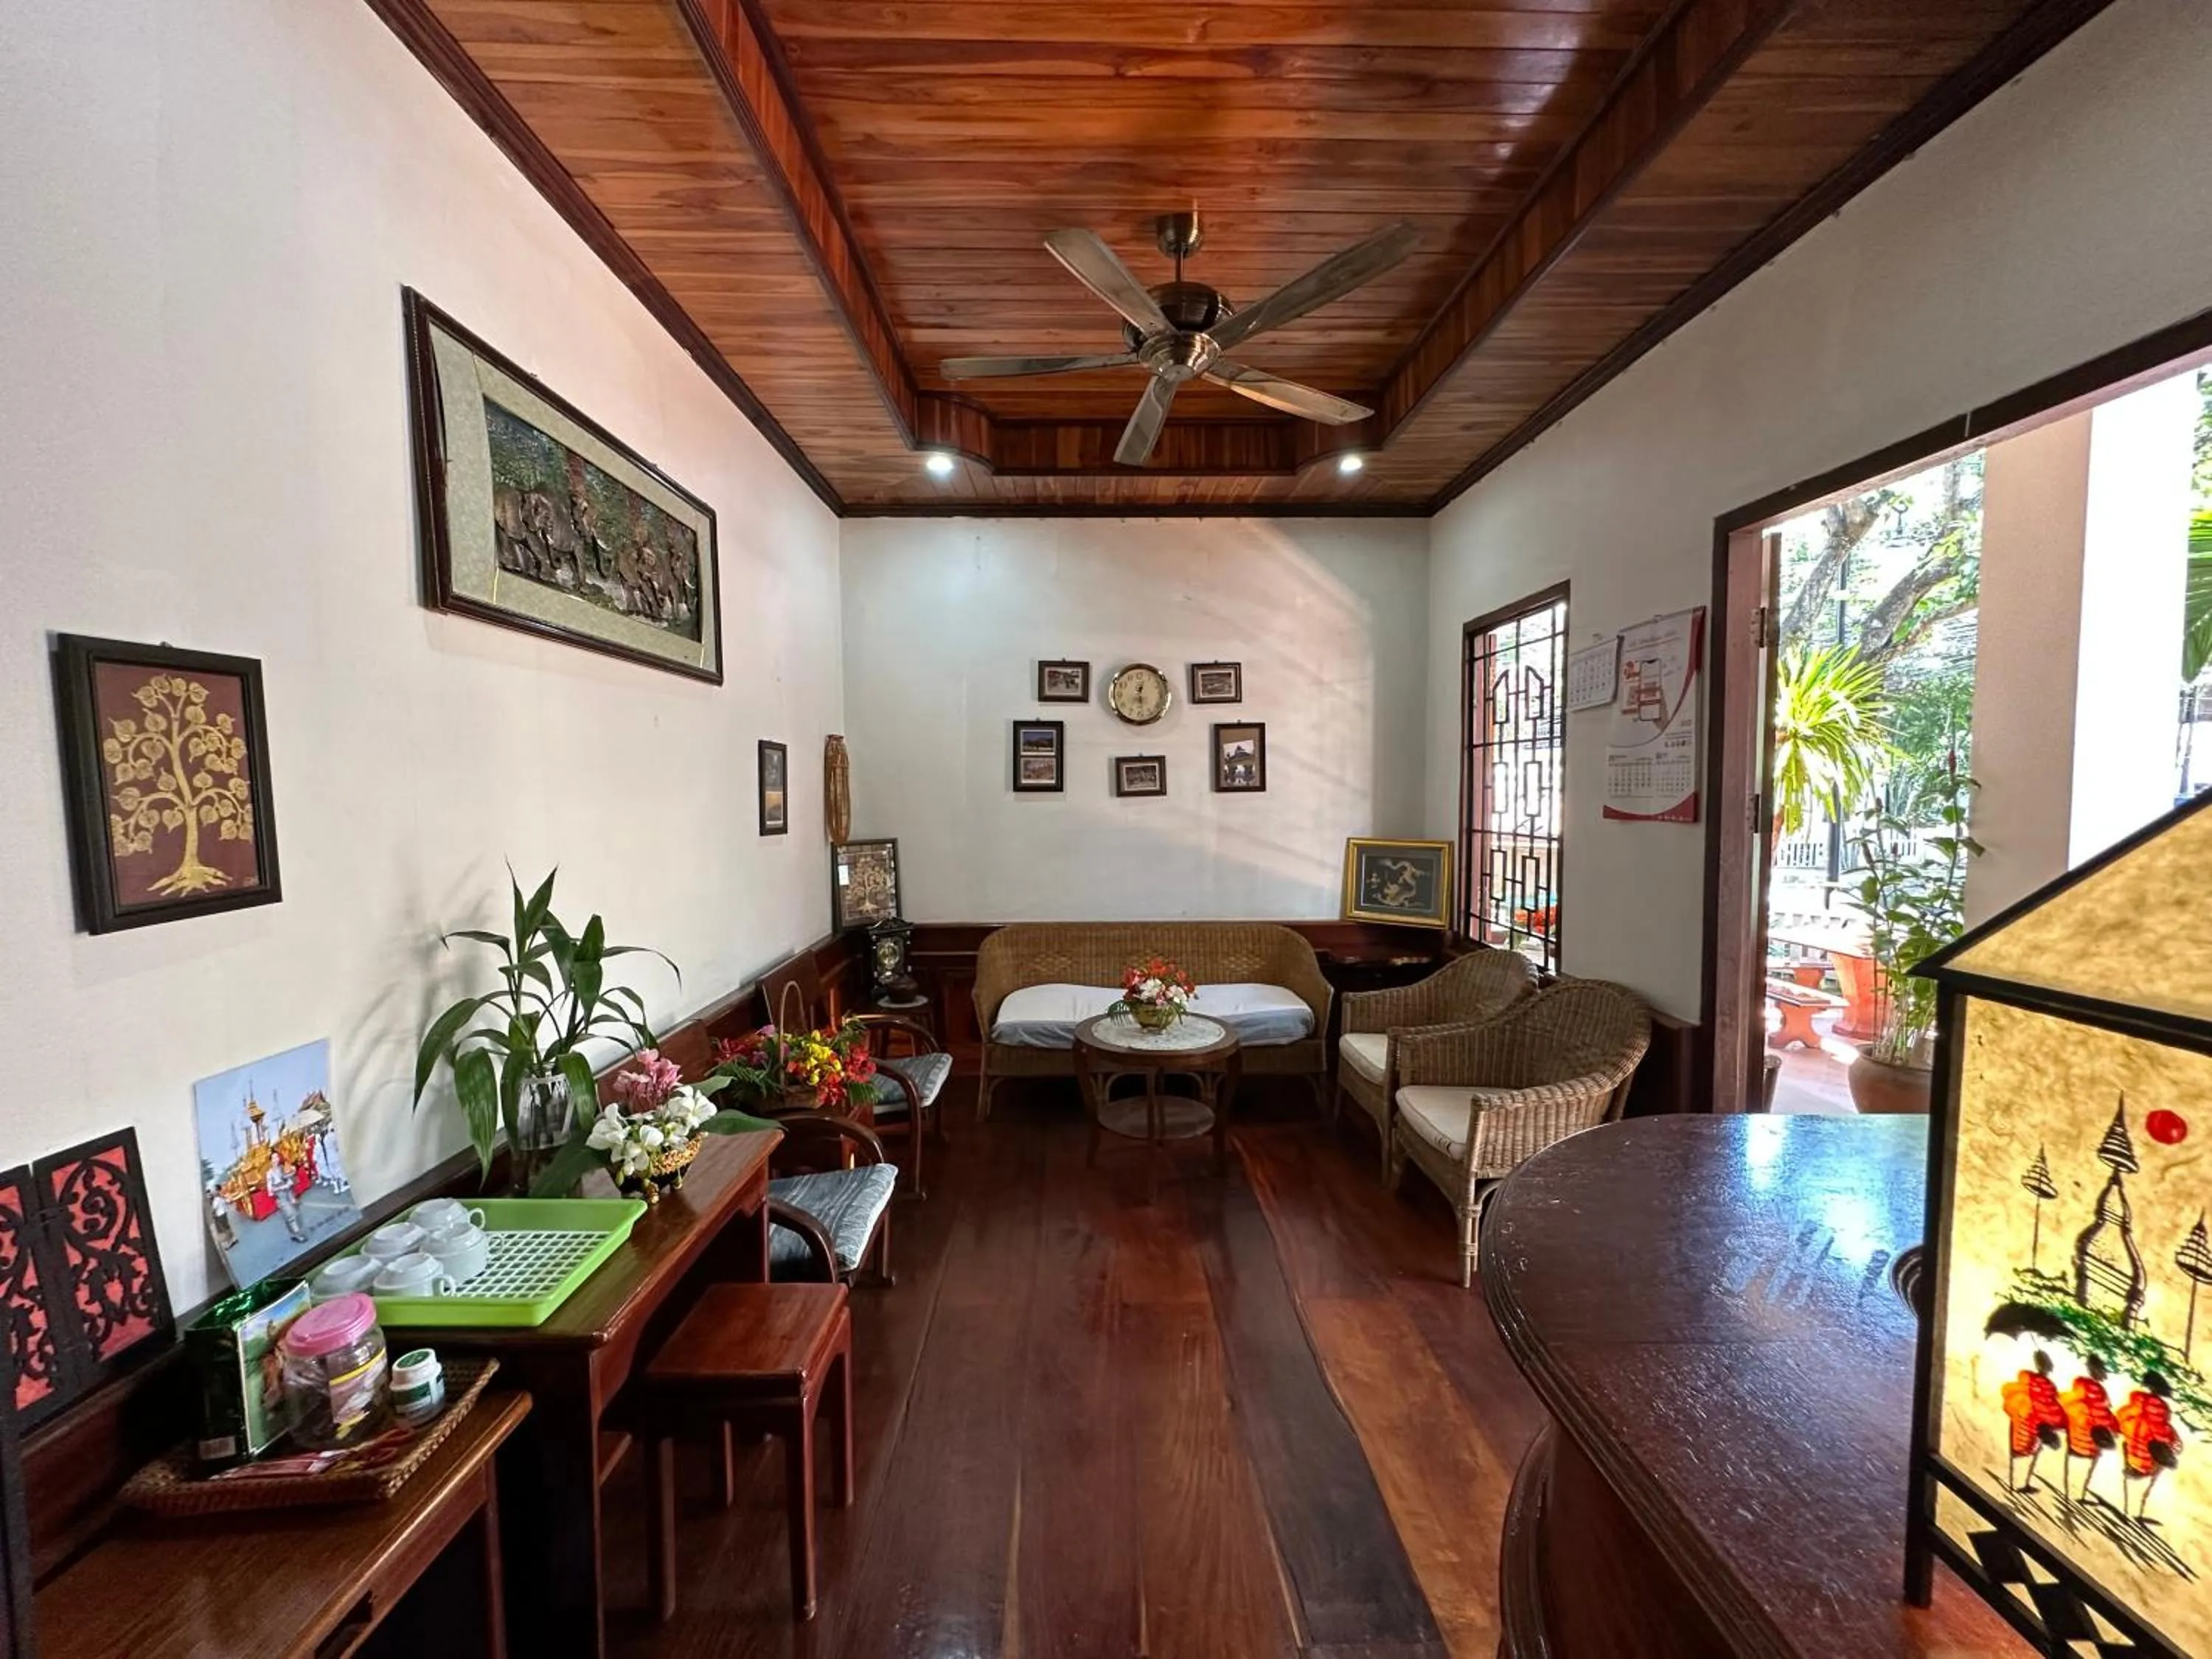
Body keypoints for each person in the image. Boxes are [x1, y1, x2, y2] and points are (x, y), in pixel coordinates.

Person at [2117, 1372, 2183, 1522]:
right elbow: (2165, 1436)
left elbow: (2121, 1418)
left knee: (2126, 1443)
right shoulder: (2162, 1411)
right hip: (2148, 1468)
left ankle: (2125, 1506)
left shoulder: (2134, 1404)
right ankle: (2142, 1505)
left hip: (2132, 1464)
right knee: (2163, 1454)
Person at [2001, 1349, 2066, 1492]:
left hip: (2022, 1424)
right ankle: (2026, 1481)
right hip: (2036, 1426)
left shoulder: (2026, 1378)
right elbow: (2054, 1405)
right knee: (2041, 1436)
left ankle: (2015, 1481)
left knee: (2036, 1429)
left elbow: (2011, 1394)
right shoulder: (2049, 1385)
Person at [2061, 1355, 2121, 1503]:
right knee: (2098, 1449)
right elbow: (2105, 1414)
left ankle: (2068, 1491)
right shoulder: (2100, 1392)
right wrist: (2114, 1429)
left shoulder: (2080, 1384)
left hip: (2076, 1436)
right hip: (2091, 1440)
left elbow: (2069, 1402)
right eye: (2102, 1371)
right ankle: (2081, 1492)